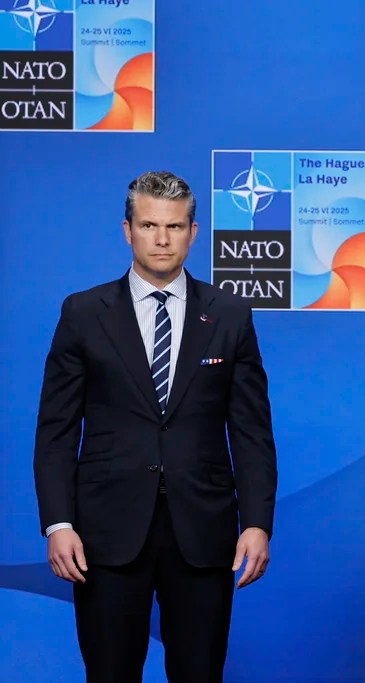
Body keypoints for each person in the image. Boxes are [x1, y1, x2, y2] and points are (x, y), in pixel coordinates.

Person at [33, 171, 278, 683]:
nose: (162, 239)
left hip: (203, 533)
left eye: (174, 226)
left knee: (200, 673)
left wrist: (256, 523)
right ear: (127, 230)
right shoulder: (83, 313)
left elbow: (251, 431)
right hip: (105, 533)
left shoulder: (230, 315)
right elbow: (55, 431)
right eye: (148, 225)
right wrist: (58, 524)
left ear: (192, 232)